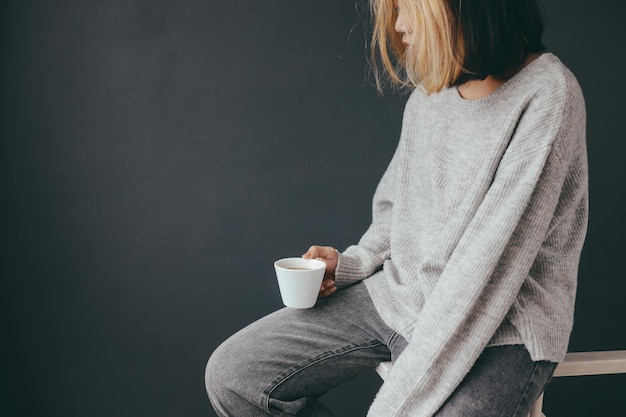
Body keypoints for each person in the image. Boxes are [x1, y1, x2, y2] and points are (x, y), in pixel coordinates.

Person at [205, 0, 588, 415]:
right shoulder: (433, 91)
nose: (399, 26)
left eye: (409, 8)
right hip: (400, 295)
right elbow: (399, 211)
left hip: (500, 324)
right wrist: (353, 263)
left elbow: (485, 276)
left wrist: (396, 404)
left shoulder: (549, 94)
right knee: (234, 376)